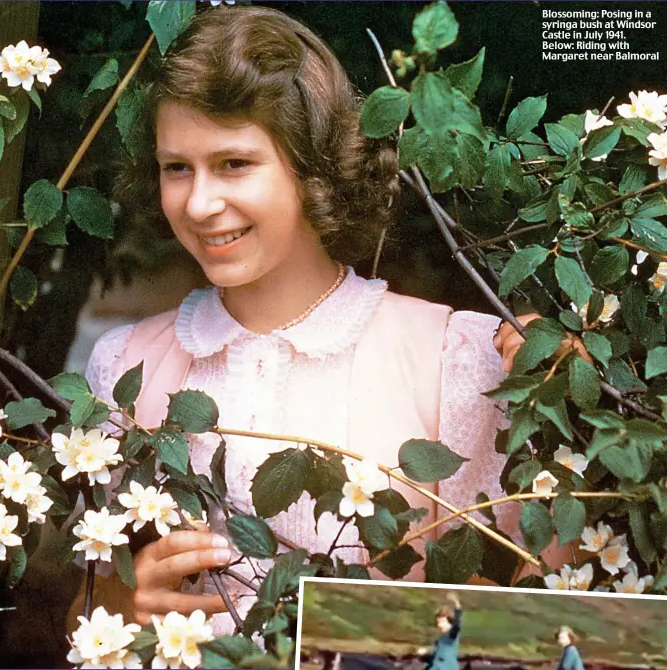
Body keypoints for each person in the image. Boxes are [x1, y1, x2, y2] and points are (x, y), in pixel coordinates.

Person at [69, 5, 565, 634]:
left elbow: (549, 623)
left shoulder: (458, 359)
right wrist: (118, 606)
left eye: (234, 163)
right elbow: (88, 616)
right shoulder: (124, 366)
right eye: (177, 168)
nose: (198, 203)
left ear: (311, 167)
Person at [420, 593, 463, 670]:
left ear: (450, 622)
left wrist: (456, 603)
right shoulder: (441, 639)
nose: (439, 625)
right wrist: (425, 653)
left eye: (442, 622)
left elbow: (457, 624)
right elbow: (436, 656)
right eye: (438, 622)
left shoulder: (452, 636)